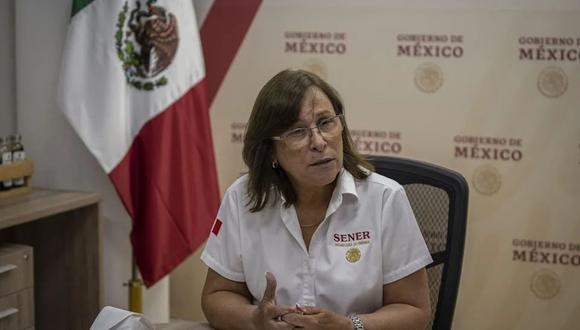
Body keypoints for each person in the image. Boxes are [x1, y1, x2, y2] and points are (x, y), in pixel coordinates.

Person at [201, 69, 433, 330]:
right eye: (298, 132)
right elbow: (216, 296)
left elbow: (414, 311)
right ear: (270, 151)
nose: (319, 142)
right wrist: (254, 320)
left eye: (325, 123)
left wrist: (349, 326)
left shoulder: (385, 199)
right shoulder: (243, 198)